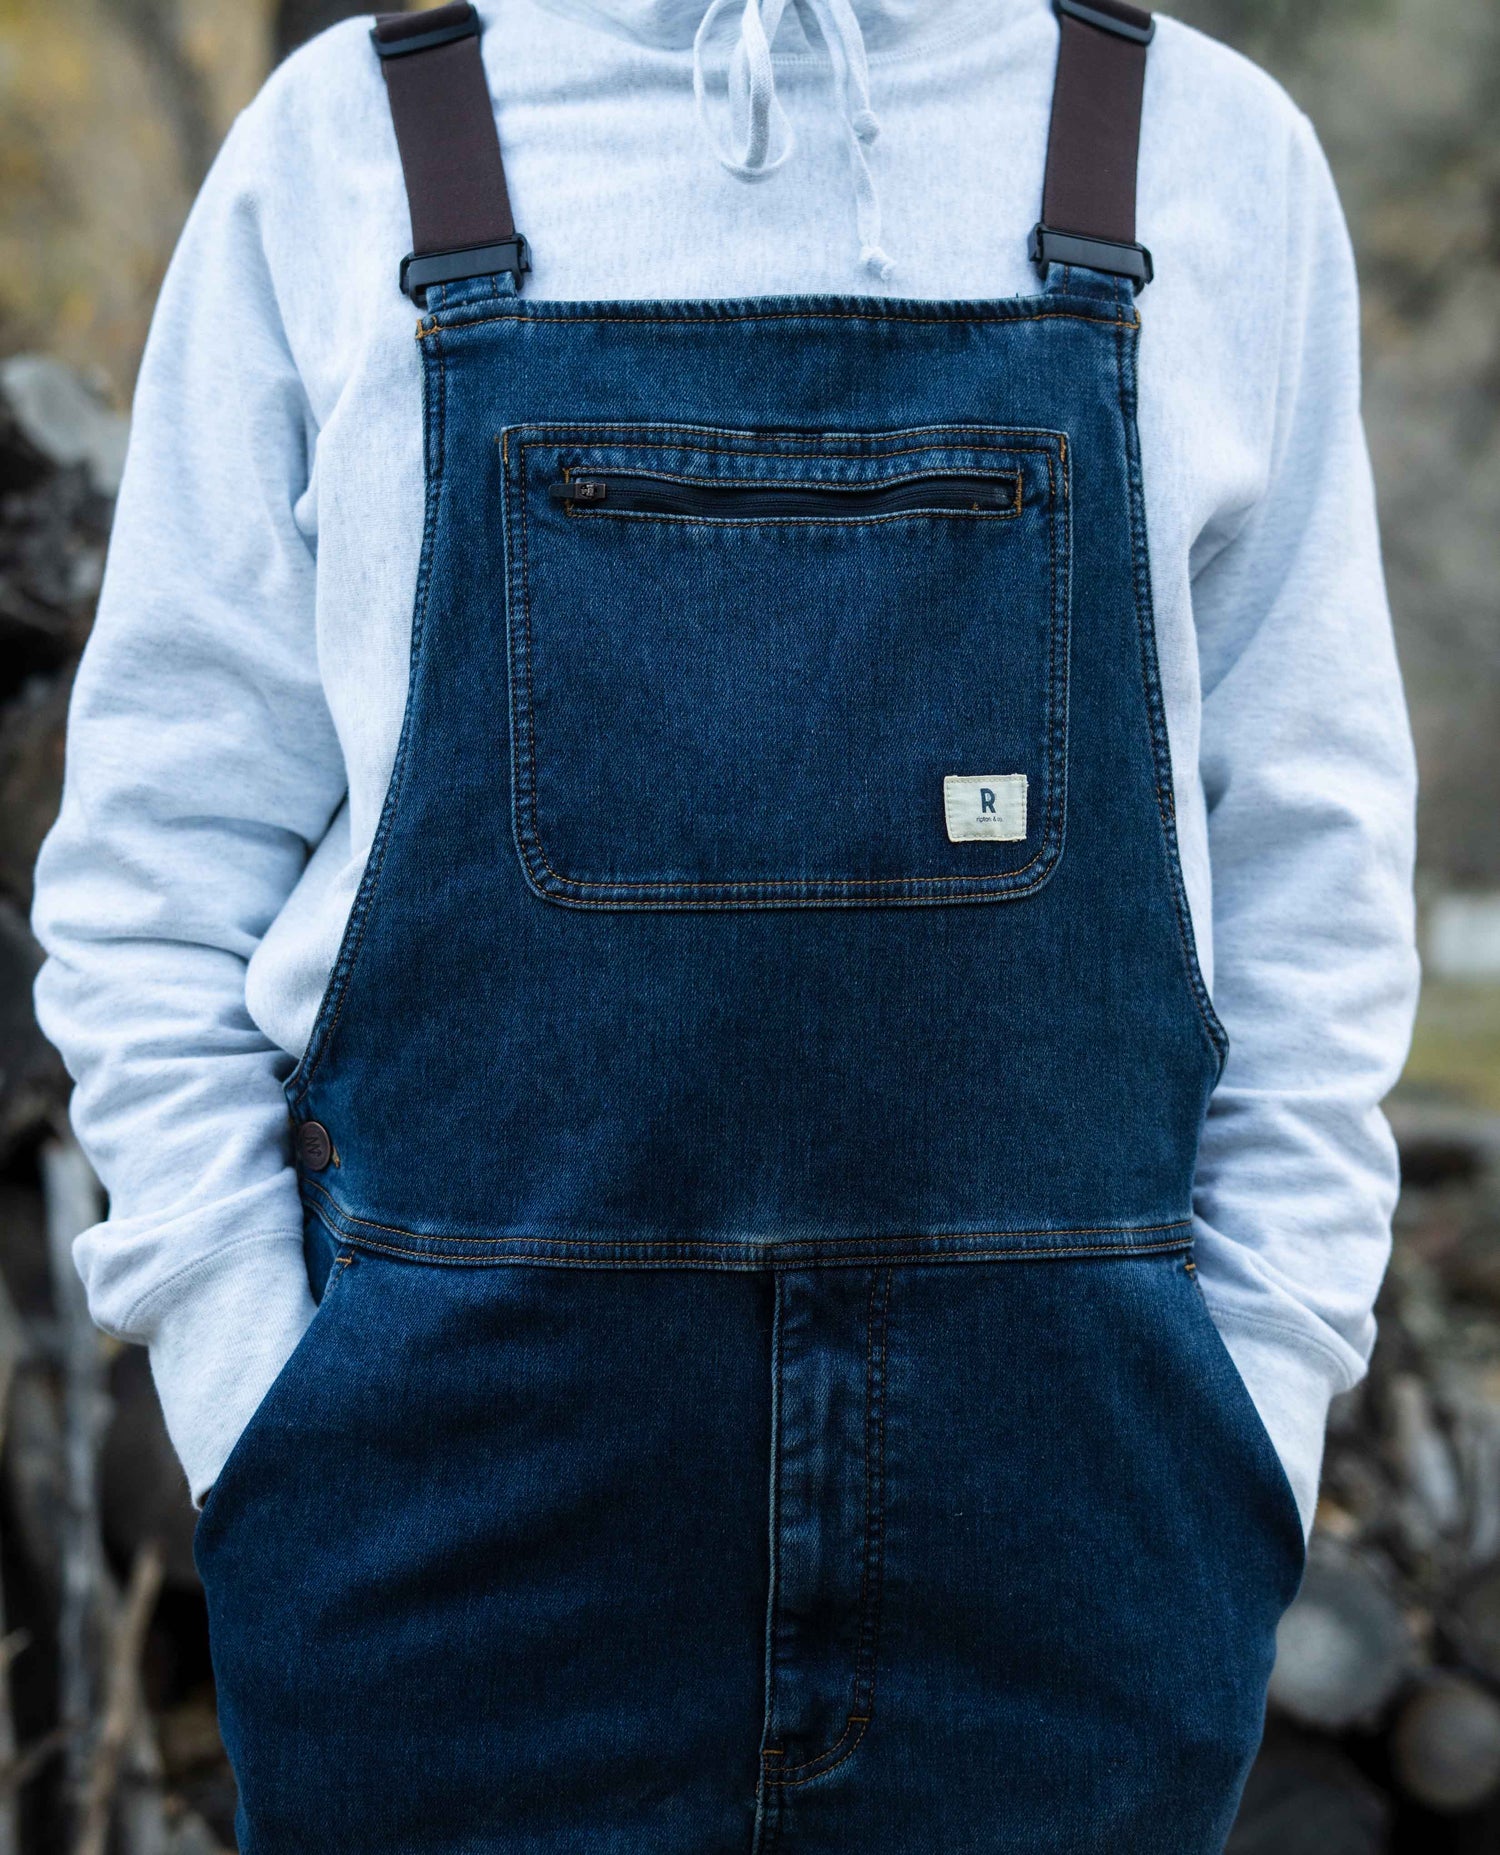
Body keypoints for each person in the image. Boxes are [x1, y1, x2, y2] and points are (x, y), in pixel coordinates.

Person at [30, 0, 1420, 1848]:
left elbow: (1316, 873)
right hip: (449, 1537)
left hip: (1073, 1540)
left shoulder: (1209, 157)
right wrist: (255, 1407)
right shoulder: (346, 147)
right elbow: (154, 863)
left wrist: (1260, 1396)